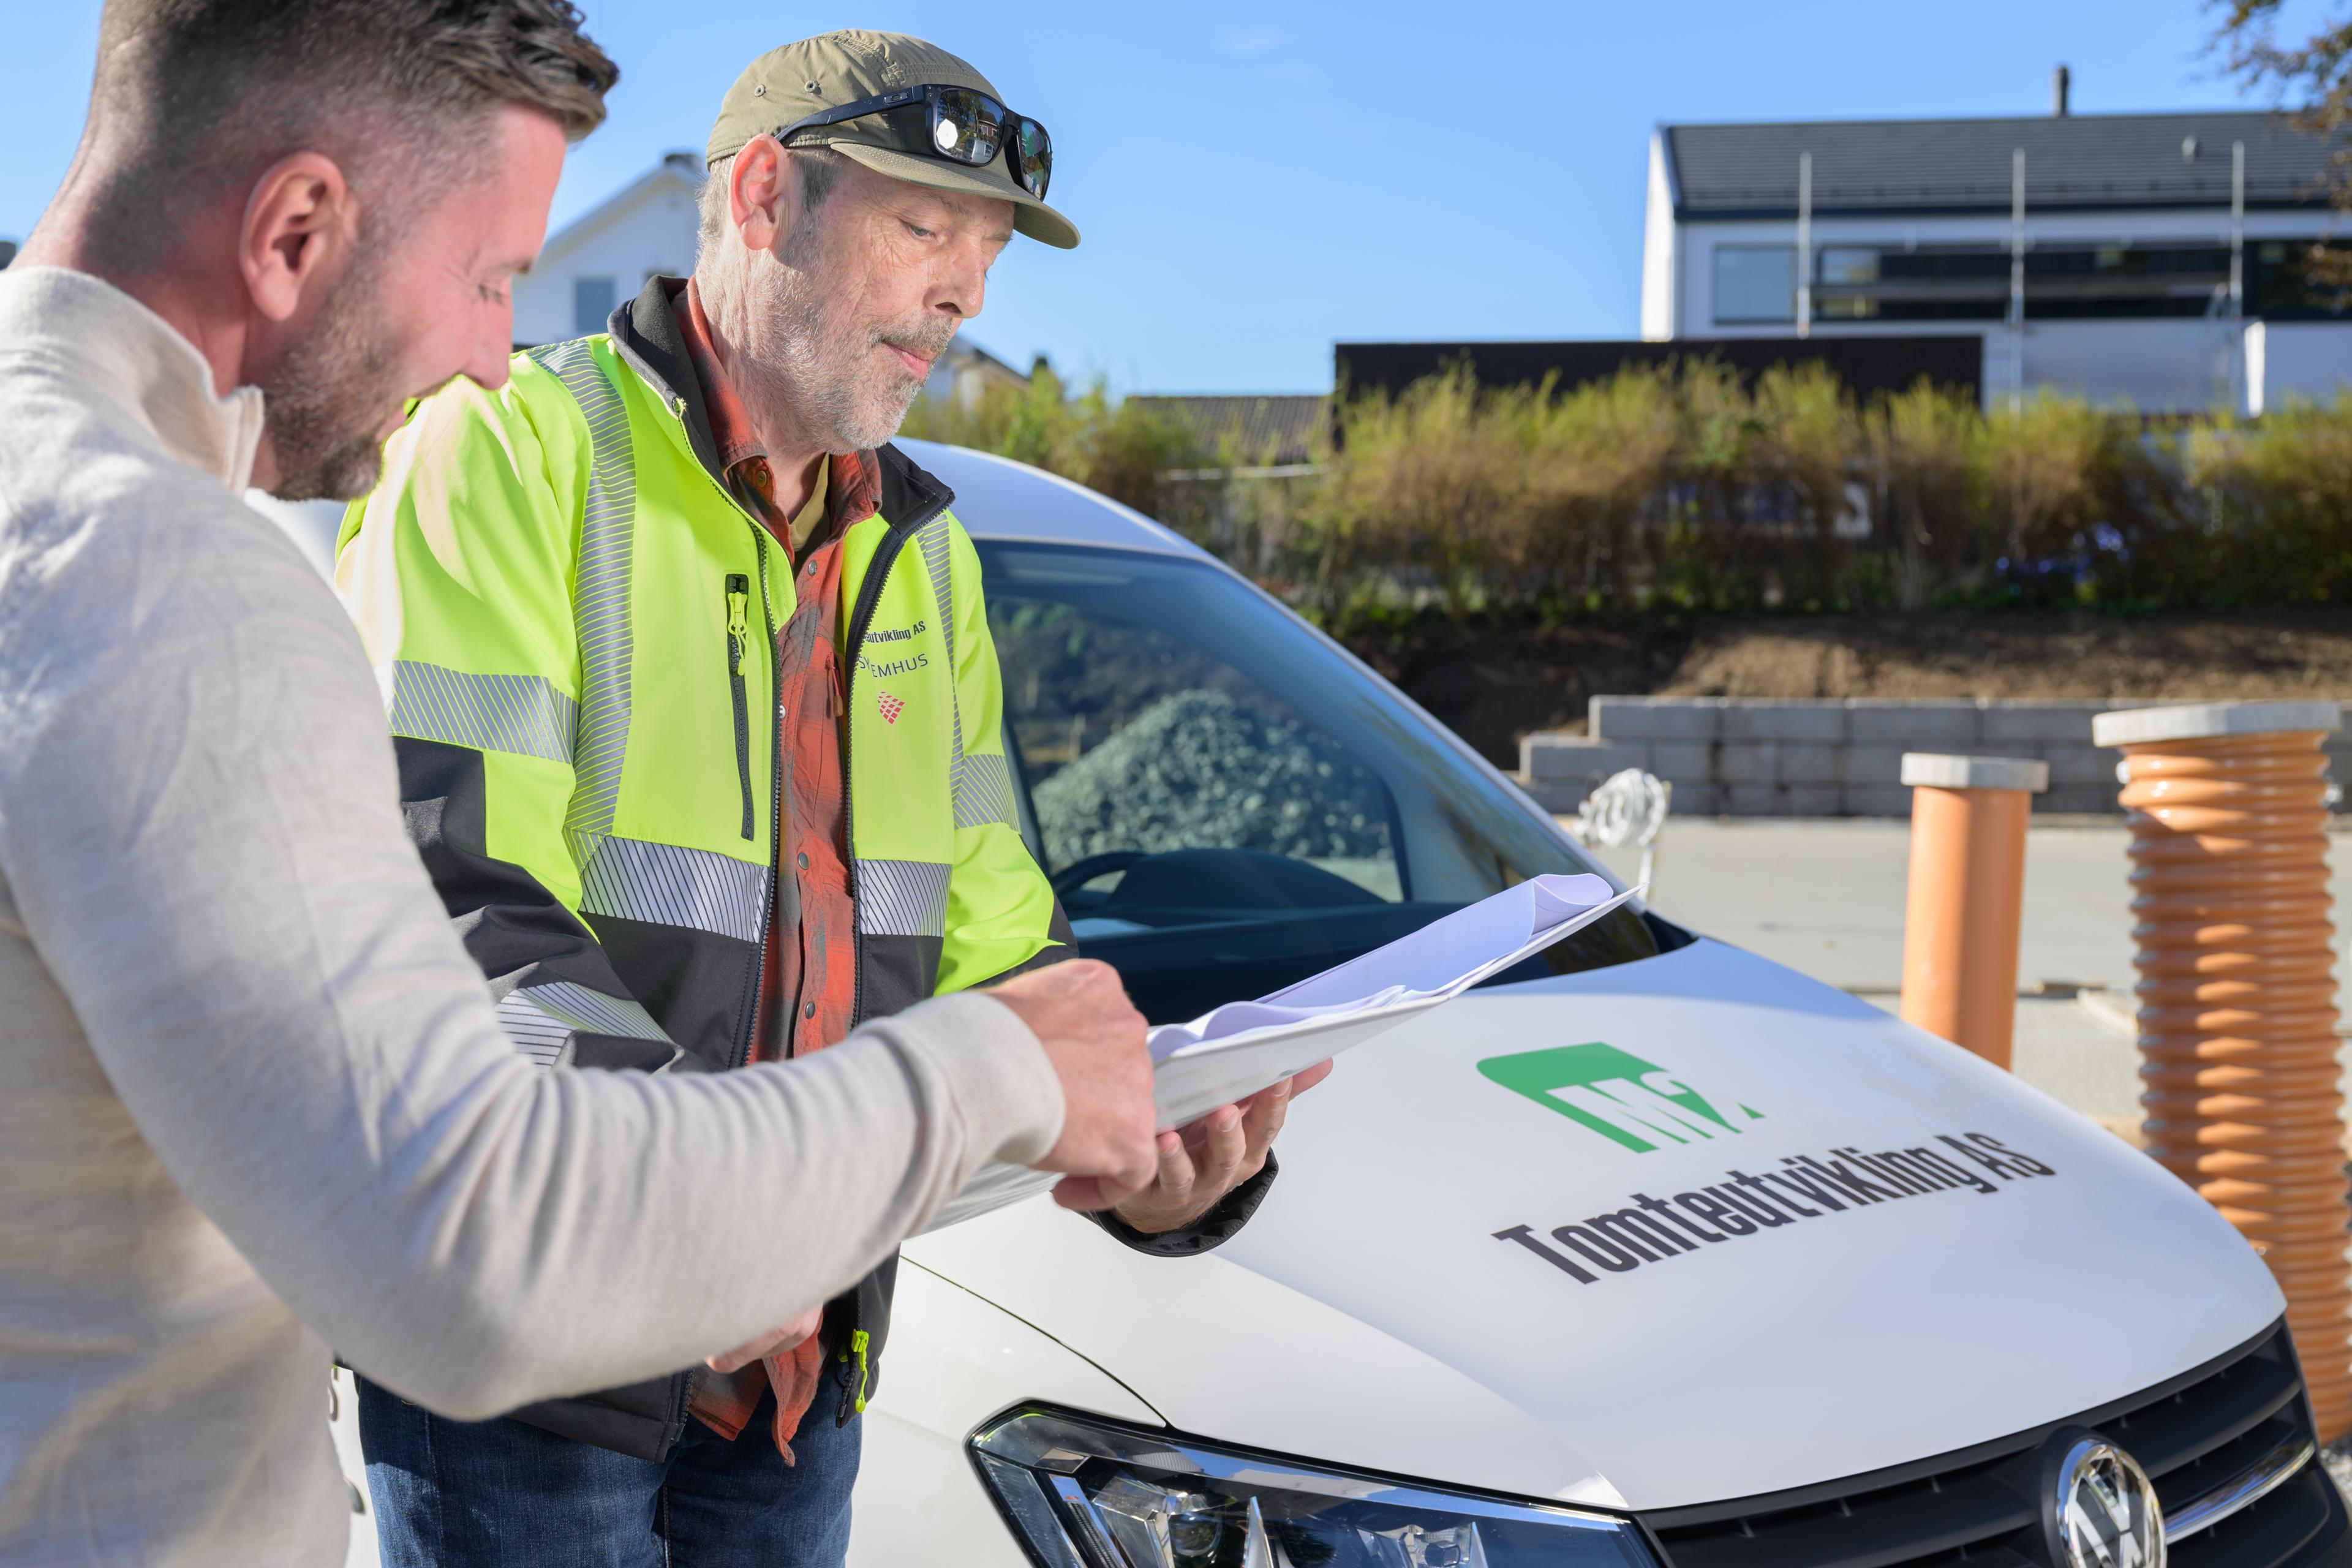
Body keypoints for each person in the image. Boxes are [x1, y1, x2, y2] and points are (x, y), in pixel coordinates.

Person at [0, 6, 1167, 1566]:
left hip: (795, 1349)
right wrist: (971, 1090)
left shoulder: (918, 548)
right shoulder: (179, 578)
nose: (491, 346)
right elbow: (464, 1216)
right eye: (490, 277)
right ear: (294, 230)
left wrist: (1129, 1103)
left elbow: (975, 898)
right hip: (582, 1349)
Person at [335, 29, 1319, 1568]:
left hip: (799, 1388)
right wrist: (722, 1206)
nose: (967, 294)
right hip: (525, 1376)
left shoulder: (924, 556)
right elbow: (430, 901)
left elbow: (995, 933)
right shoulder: (511, 453)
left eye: (987, 252)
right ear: (762, 195)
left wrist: (1152, 1144)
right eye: (927, 230)